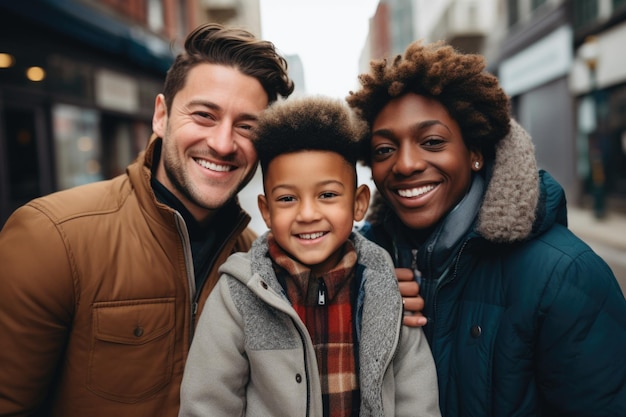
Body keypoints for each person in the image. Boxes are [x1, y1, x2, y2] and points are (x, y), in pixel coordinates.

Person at [0, 23, 294, 416]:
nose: (224, 144)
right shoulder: (52, 238)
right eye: (205, 115)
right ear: (161, 115)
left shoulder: (259, 262)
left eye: (246, 126)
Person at [346, 40, 626, 416]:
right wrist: (355, 302)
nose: (406, 164)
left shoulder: (566, 276)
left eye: (431, 142)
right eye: (384, 149)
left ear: (475, 153)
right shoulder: (359, 267)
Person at [178, 96, 441, 417]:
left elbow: (418, 396)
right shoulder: (238, 294)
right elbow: (207, 403)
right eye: (287, 198)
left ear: (358, 203)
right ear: (267, 211)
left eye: (327, 195)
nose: (307, 213)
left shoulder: (384, 288)